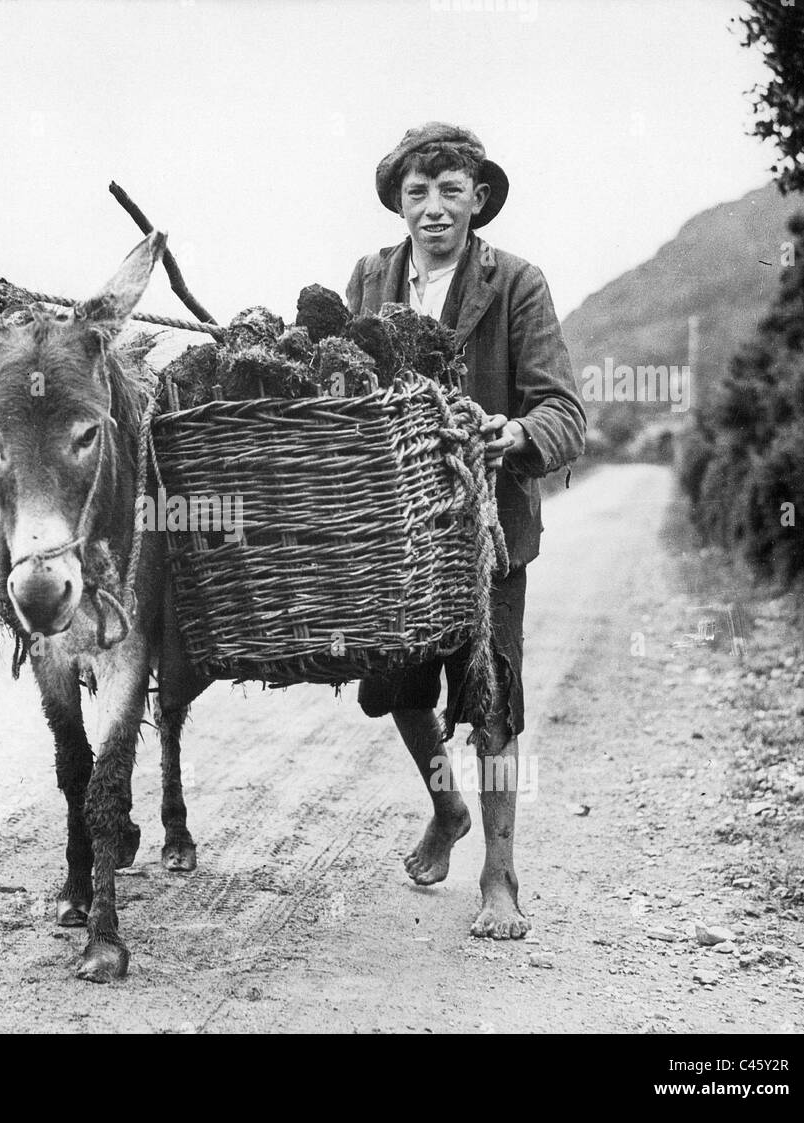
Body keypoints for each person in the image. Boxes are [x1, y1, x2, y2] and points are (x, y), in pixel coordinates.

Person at [347, 122, 586, 938]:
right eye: (419, 192)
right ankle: (447, 807)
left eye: (452, 191)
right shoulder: (370, 278)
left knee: (492, 700)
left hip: (488, 533)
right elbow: (348, 395)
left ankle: (501, 875)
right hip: (399, 535)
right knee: (394, 687)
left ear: (479, 199)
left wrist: (516, 435)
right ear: (400, 203)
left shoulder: (516, 283)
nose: (435, 208)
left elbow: (564, 412)